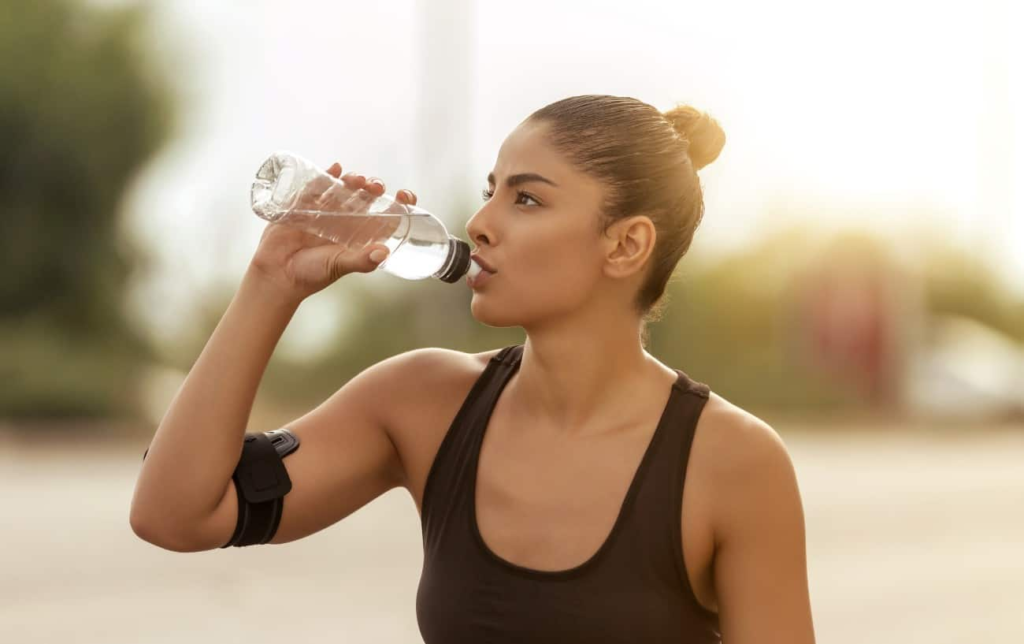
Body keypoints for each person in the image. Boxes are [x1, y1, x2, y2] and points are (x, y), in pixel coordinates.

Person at [130, 94, 816, 643]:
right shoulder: (422, 401)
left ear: (626, 245)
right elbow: (175, 515)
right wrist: (270, 284)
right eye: (491, 191)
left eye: (526, 198)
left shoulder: (732, 462)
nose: (480, 221)